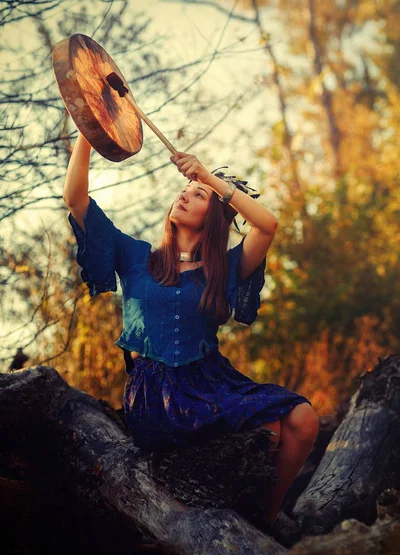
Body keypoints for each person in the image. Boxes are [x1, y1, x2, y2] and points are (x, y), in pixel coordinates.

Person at [64, 132, 319, 526]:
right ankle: (246, 516)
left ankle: (267, 518)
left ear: (214, 216)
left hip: (211, 379)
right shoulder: (136, 257)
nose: (184, 195)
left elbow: (267, 225)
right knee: (266, 426)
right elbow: (76, 200)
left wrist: (208, 176)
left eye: (198, 195)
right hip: (157, 391)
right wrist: (88, 131)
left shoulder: (226, 268)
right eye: (185, 190)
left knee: (303, 420)